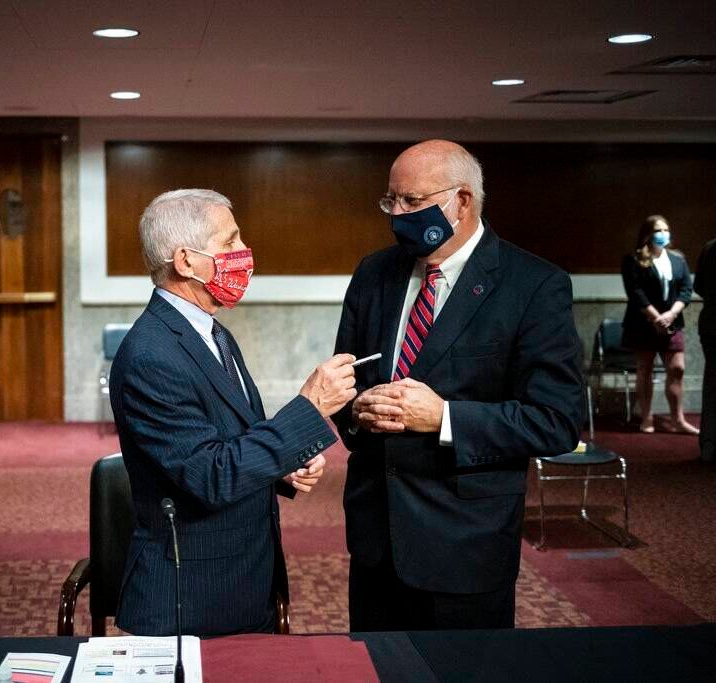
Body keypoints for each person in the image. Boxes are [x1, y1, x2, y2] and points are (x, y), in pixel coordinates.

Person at [331, 140, 583, 631]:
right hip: (375, 539)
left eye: (411, 201)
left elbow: (556, 421)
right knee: (373, 664)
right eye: (390, 200)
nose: (396, 214)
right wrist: (357, 412)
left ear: (461, 201)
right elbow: (347, 381)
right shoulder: (374, 273)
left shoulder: (533, 285)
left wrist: (444, 417)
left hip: (465, 543)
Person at [110, 189, 357, 636]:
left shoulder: (214, 333)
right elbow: (211, 476)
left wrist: (281, 468)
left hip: (245, 581)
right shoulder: (151, 355)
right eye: (230, 241)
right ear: (186, 261)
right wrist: (310, 407)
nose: (244, 252)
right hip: (190, 598)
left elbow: (230, 442)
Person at [620, 216, 697, 434]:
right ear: (647, 234)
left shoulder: (678, 259)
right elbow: (635, 292)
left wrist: (671, 314)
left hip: (672, 321)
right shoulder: (633, 260)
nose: (663, 234)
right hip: (644, 323)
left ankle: (678, 420)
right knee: (645, 369)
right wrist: (656, 318)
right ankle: (646, 418)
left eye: (666, 229)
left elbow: (686, 289)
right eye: (658, 230)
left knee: (677, 368)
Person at [696, 237, 716, 462]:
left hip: (710, 323)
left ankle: (709, 445)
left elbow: (698, 286)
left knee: (711, 385)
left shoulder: (709, 247)